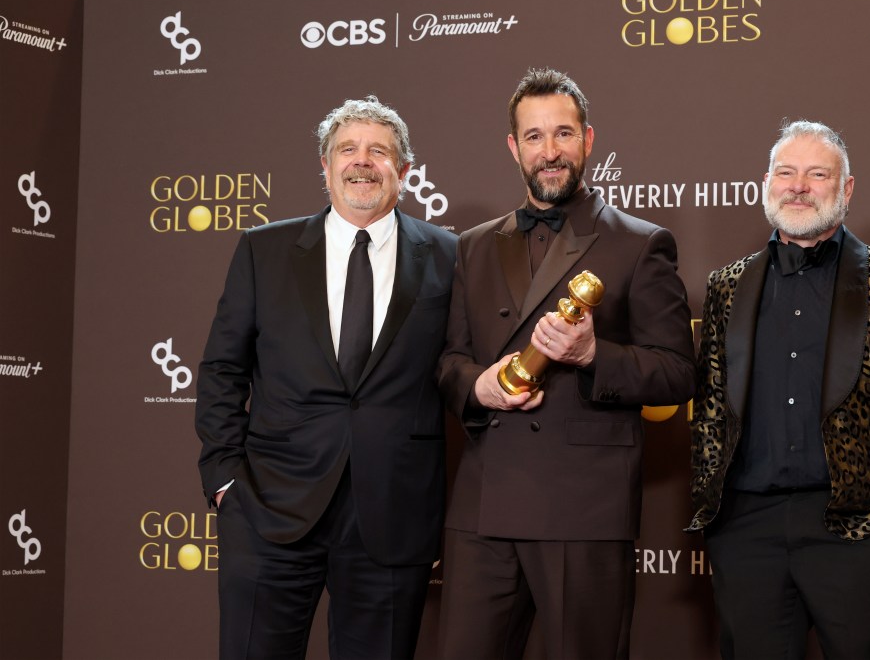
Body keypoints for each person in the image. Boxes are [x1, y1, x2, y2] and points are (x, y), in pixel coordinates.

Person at [436, 67, 696, 659]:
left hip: (583, 509)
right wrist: (479, 387)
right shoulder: (473, 245)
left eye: (563, 133)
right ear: (513, 147)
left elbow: (678, 371)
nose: (549, 151)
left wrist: (593, 354)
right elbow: (450, 360)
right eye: (534, 136)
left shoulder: (640, 242)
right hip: (483, 505)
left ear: (588, 139)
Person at [195, 96, 457, 660]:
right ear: (325, 164)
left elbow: (460, 369)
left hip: (393, 516)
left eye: (378, 151)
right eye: (347, 149)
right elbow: (221, 370)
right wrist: (224, 480)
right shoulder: (264, 249)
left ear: (404, 169)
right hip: (269, 507)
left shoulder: (450, 255)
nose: (362, 161)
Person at [687, 120, 870, 659]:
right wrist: (716, 516)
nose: (798, 186)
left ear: (846, 188)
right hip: (746, 529)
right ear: (767, 183)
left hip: (857, 530)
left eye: (817, 174)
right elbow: (711, 409)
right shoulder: (727, 286)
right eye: (786, 173)